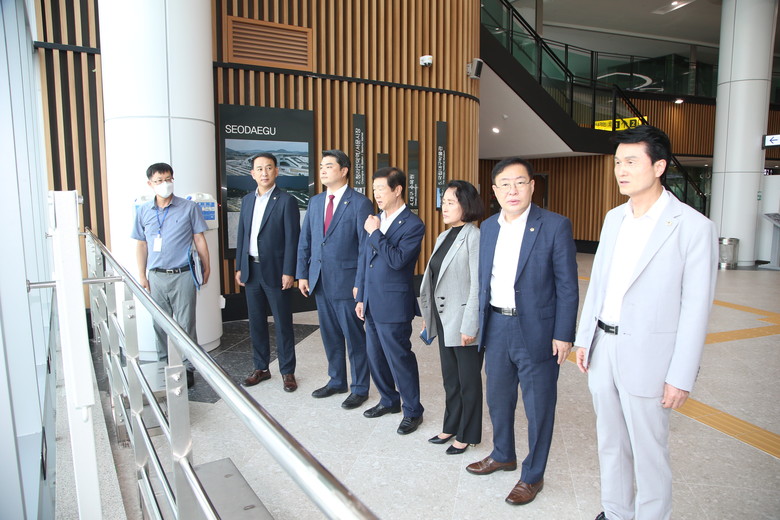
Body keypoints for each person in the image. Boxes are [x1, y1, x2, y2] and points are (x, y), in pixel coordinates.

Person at [574, 125, 717, 520]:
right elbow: (599, 284)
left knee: (649, 450)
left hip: (650, 357)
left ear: (659, 166)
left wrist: (680, 376)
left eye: (631, 162)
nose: (621, 170)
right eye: (618, 162)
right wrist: (585, 338)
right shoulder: (614, 218)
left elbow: (696, 309)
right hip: (604, 347)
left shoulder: (692, 227)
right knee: (610, 442)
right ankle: (615, 511)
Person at [466, 157, 578, 506]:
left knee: (539, 407)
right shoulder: (488, 227)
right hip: (497, 326)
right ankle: (503, 454)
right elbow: (483, 280)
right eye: (505, 184)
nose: (512, 190)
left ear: (531, 186)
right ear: (494, 190)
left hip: (538, 330)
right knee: (498, 398)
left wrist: (564, 334)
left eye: (519, 182)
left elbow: (567, 285)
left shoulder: (554, 225)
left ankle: (532, 475)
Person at [297, 150, 374, 409]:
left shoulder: (360, 203)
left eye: (329, 166)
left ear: (344, 170)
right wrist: (303, 274)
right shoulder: (316, 202)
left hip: (347, 283)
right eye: (321, 166)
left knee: (354, 338)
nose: (323, 170)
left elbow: (365, 248)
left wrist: (360, 284)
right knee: (329, 335)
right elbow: (306, 240)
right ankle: (337, 380)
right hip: (320, 280)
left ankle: (360, 387)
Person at [355, 167, 425, 435]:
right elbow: (365, 259)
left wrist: (375, 233)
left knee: (399, 358)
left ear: (397, 190)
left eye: (381, 189)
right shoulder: (375, 219)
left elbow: (397, 260)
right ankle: (388, 400)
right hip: (371, 300)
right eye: (374, 189)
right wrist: (361, 296)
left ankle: (413, 411)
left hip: (394, 303)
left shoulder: (413, 224)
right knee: (375, 356)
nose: (376, 194)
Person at [132, 162, 210, 388]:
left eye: (168, 179)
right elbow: (141, 244)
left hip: (183, 274)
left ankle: (188, 366)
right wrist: (142, 274)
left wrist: (206, 266)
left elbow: (199, 239)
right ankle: (164, 364)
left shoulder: (189, 208)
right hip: (156, 276)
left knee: (186, 324)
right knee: (159, 324)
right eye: (159, 181)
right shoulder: (143, 211)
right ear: (150, 184)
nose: (164, 184)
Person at [419, 180, 484, 455]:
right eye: (443, 202)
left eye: (450, 202)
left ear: (465, 205)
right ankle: (451, 425)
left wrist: (470, 324)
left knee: (468, 381)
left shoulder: (474, 236)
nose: (443, 207)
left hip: (464, 322)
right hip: (445, 319)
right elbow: (436, 280)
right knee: (450, 378)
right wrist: (429, 316)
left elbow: (477, 284)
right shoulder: (444, 236)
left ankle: (468, 434)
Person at [235, 153, 300, 392]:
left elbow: (293, 239)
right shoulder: (246, 201)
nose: (264, 173)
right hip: (251, 269)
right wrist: (239, 266)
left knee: (283, 323)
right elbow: (242, 235)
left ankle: (287, 371)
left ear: (276, 171)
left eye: (269, 168)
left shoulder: (286, 201)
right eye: (259, 169)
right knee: (256, 322)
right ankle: (261, 368)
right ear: (252, 173)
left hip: (276, 270)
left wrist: (289, 271)